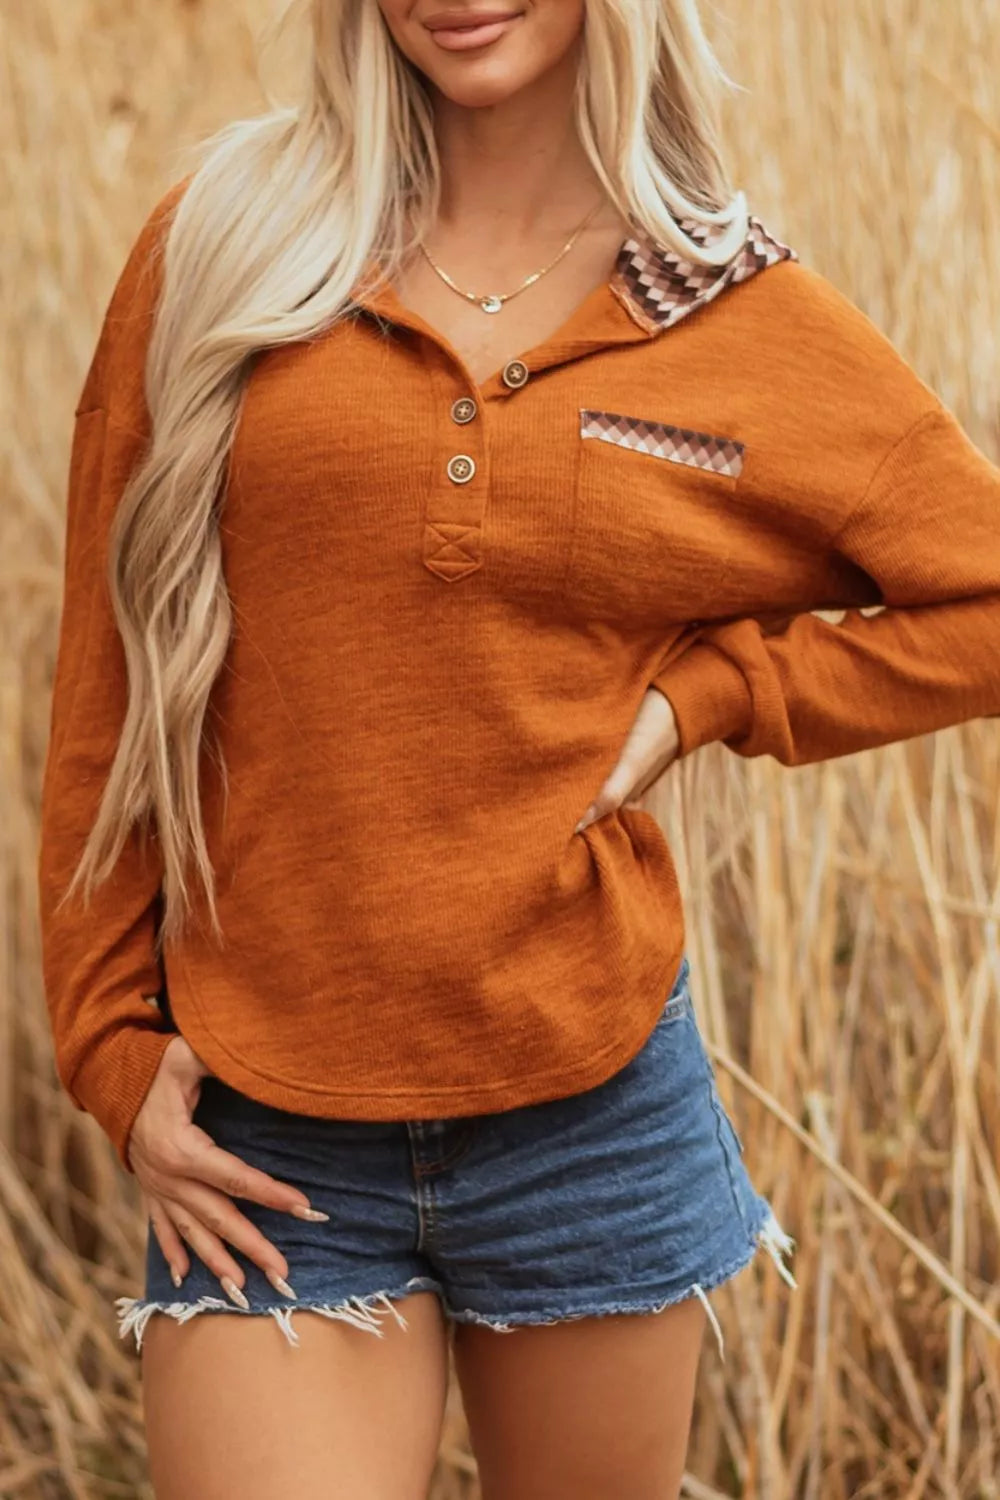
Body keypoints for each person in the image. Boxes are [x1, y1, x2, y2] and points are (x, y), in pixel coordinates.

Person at [37, 1, 1000, 1496]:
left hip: (590, 1118)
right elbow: (109, 651)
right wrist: (106, 1033)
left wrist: (720, 692)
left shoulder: (728, 306)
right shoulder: (231, 239)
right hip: (269, 1135)